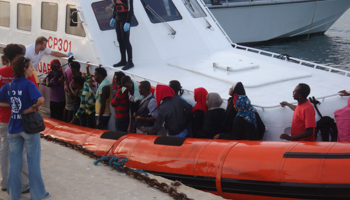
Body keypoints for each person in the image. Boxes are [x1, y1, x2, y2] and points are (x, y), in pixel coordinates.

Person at [0, 56, 49, 200]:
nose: (32, 69)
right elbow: (40, 100)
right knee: (33, 162)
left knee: (14, 164)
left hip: (13, 127)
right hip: (28, 128)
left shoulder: (8, 86)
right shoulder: (29, 85)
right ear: (24, 69)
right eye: (30, 67)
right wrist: (31, 108)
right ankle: (38, 193)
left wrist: (12, 106)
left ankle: (13, 194)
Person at [0, 44, 34, 194]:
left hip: (3, 119)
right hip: (22, 119)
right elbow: (35, 98)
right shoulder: (27, 73)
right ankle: (24, 184)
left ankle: (6, 183)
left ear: (6, 57)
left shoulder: (1, 73)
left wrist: (9, 105)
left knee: (5, 149)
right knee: (23, 152)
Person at [110, 0, 134, 70]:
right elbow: (115, 7)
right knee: (120, 40)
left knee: (125, 40)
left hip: (125, 19)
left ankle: (130, 62)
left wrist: (128, 21)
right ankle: (123, 60)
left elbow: (130, 9)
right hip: (118, 19)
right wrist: (114, 17)